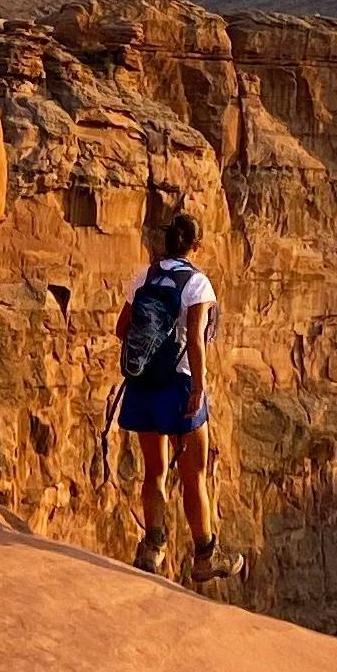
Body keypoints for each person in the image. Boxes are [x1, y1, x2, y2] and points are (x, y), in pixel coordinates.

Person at [112, 209, 224, 583]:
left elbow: (121, 328)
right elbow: (195, 340)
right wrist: (198, 387)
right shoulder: (197, 284)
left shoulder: (145, 276)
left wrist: (148, 349)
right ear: (196, 245)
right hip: (179, 386)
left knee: (155, 472)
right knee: (195, 474)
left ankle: (153, 549)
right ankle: (204, 555)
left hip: (144, 384)